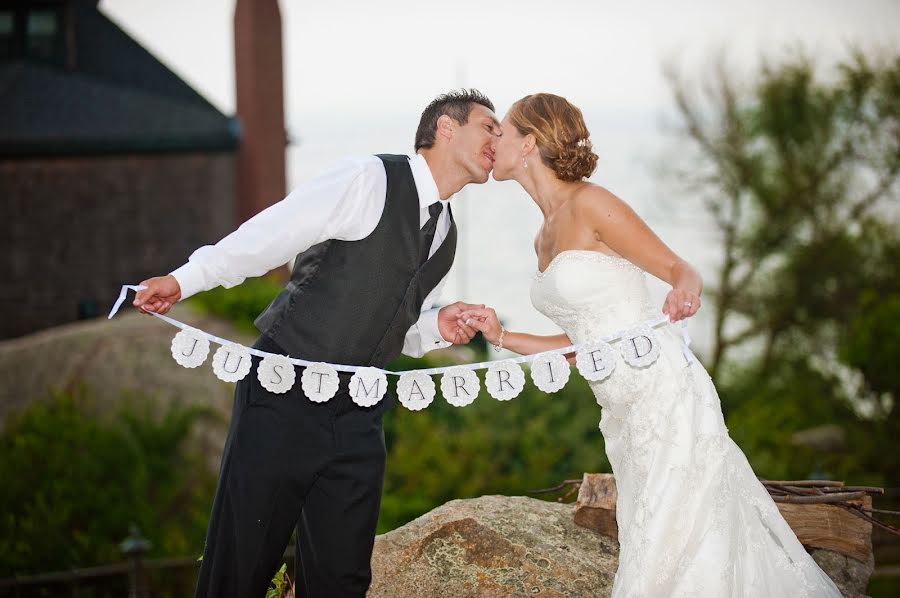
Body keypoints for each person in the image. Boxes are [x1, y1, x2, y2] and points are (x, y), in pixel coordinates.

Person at [460, 93, 842, 597]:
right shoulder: (542, 239)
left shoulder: (590, 203)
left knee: (677, 553)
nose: (494, 141)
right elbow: (580, 346)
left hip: (665, 396)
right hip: (621, 416)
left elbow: (679, 268)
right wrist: (500, 336)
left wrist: (685, 292)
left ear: (529, 143)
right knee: (656, 543)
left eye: (501, 131)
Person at [132, 89, 501, 598]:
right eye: (490, 126)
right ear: (446, 127)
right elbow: (272, 232)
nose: (498, 140)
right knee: (239, 567)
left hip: (359, 417)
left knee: (342, 579)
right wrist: (186, 279)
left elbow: (398, 323)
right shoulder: (369, 179)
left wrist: (439, 326)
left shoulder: (446, 233)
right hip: (282, 392)